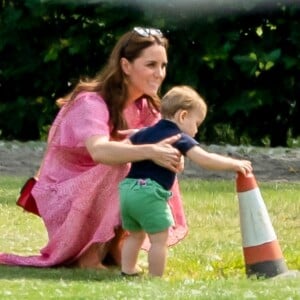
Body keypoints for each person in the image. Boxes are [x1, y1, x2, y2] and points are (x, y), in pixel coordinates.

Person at [0, 27, 187, 269]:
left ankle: (117, 245)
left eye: (163, 65)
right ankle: (90, 253)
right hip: (65, 194)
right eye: (151, 65)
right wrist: (152, 151)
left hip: (99, 186)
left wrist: (172, 158)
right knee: (125, 164)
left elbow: (167, 146)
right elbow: (100, 151)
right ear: (126, 66)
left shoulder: (147, 108)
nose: (159, 73)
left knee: (150, 166)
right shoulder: (91, 102)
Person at [119, 85, 253, 277]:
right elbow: (204, 159)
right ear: (182, 116)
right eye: (196, 123)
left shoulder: (143, 133)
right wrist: (233, 164)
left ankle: (127, 270)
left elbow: (121, 150)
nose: (196, 130)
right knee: (159, 240)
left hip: (127, 191)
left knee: (135, 235)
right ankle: (155, 278)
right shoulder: (179, 137)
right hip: (149, 192)